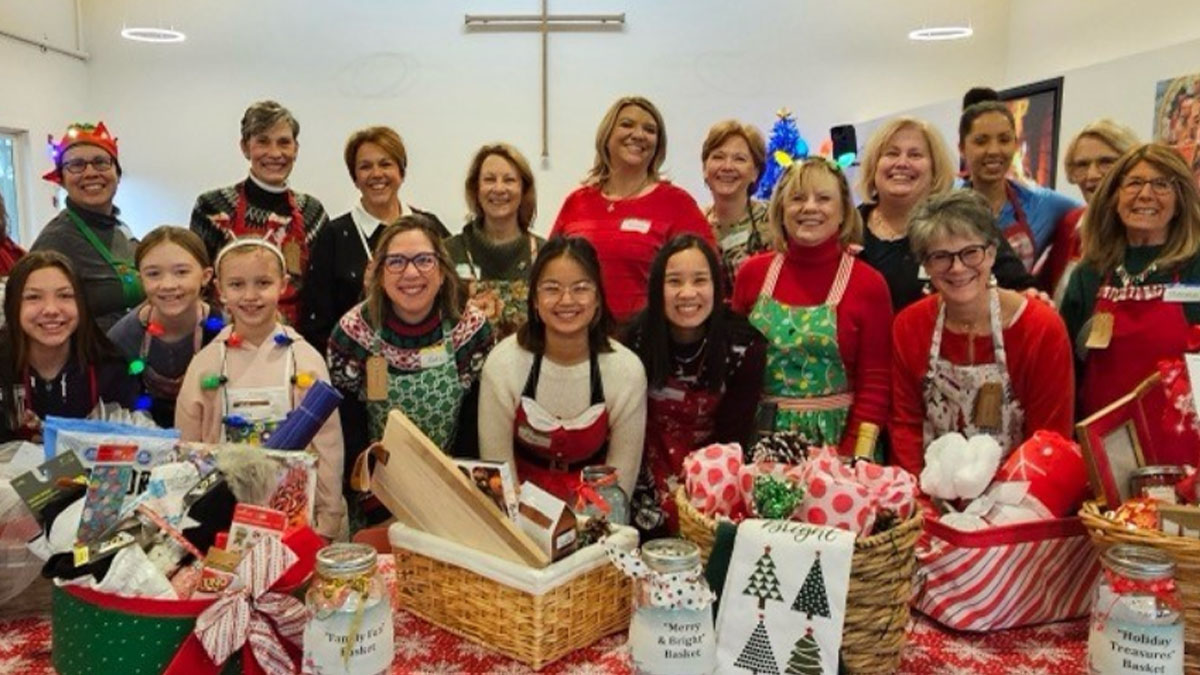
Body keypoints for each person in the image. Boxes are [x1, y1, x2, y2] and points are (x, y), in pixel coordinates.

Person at [890, 192, 1074, 477]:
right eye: (941, 257)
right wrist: (919, 502)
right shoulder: (909, 326)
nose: (958, 268)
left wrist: (1003, 509)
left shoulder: (1041, 328)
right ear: (925, 265)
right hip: (929, 493)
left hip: (1022, 494)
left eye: (970, 252)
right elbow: (906, 427)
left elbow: (1049, 438)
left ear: (991, 253)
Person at [327, 215, 493, 523]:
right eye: (397, 262)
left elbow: (474, 433)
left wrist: (453, 500)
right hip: (377, 501)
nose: (411, 272)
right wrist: (379, 503)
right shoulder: (352, 335)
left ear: (443, 272)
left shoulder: (470, 331)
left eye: (424, 260)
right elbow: (349, 436)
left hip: (453, 498)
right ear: (378, 274)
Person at [176, 239, 344, 540]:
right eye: (237, 284)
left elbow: (328, 445)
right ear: (220, 289)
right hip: (223, 517)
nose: (250, 296)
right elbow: (187, 446)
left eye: (263, 282)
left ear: (284, 285)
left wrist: (328, 517)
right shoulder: (206, 364)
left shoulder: (304, 360)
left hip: (293, 514)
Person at [731, 158, 892, 455]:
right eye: (797, 198)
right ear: (780, 210)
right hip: (760, 439)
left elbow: (876, 383)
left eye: (823, 198)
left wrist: (851, 457)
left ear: (844, 211)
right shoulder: (752, 275)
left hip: (838, 440)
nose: (809, 207)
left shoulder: (868, 283)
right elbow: (734, 372)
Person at [478, 236, 646, 502]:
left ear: (598, 298)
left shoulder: (626, 371)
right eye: (552, 288)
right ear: (534, 299)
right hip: (517, 513)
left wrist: (589, 530)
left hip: (598, 513)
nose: (566, 300)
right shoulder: (503, 364)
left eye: (580, 288)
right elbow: (498, 477)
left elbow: (620, 484)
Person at [626, 234, 766, 533]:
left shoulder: (744, 348)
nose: (687, 293)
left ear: (717, 287)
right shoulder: (632, 343)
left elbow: (732, 443)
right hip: (642, 484)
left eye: (700, 281)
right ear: (657, 289)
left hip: (713, 483)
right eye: (674, 282)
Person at [1062, 143, 1200, 430]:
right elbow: (1066, 370)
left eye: (1161, 185)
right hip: (1102, 445)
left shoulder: (1195, 266)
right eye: (1134, 183)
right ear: (1114, 197)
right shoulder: (1089, 274)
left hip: (1183, 449)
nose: (1145, 194)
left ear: (1180, 200)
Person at [551, 95, 716, 327]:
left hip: (648, 343)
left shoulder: (677, 204)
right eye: (627, 124)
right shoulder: (577, 202)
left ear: (658, 144)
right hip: (580, 342)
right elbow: (550, 272)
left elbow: (707, 276)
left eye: (649, 130)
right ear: (606, 136)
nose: (638, 134)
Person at [857, 117, 1035, 311]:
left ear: (934, 170)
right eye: (891, 154)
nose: (902, 163)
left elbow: (1021, 289)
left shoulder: (966, 220)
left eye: (915, 155)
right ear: (874, 166)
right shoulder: (847, 227)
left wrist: (1031, 297)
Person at [301, 126, 450, 352]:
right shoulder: (332, 237)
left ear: (401, 172)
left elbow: (453, 297)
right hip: (356, 367)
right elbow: (316, 325)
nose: (376, 174)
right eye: (365, 166)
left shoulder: (431, 227)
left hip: (433, 363)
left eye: (385, 164)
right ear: (355, 178)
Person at [190, 101, 329, 326]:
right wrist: (218, 331)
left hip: (293, 341)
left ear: (296, 149)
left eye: (284, 142)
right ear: (245, 147)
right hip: (226, 337)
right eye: (263, 142)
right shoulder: (212, 206)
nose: (275, 153)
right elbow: (199, 284)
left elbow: (319, 291)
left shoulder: (312, 211)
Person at [0, 251, 137, 442]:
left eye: (65, 295)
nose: (51, 310)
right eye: (33, 297)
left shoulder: (109, 366)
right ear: (12, 306)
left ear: (82, 303)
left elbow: (135, 439)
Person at [31, 122, 143, 332]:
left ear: (117, 175)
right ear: (62, 180)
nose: (90, 172)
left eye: (101, 162)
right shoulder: (55, 240)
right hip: (88, 360)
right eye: (76, 165)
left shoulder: (120, 229)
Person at [107, 227, 224, 428]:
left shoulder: (227, 330)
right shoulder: (124, 337)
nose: (168, 284)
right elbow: (121, 409)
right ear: (140, 278)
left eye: (181, 272)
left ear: (205, 276)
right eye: (153, 274)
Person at [959, 101, 1082, 277]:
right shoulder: (946, 210)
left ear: (1015, 145)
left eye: (1004, 140)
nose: (994, 150)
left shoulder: (1043, 204)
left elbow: (1089, 215)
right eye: (981, 141)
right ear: (962, 148)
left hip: (1017, 302)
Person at [446, 143, 546, 341]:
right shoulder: (448, 252)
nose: (499, 189)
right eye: (490, 180)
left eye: (509, 180)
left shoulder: (546, 254)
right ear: (476, 189)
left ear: (524, 190)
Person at [1044, 120, 1141, 300]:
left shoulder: (1147, 230)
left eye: (1106, 162)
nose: (1092, 175)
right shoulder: (1069, 224)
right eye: (1082, 165)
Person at [701, 120, 772, 286]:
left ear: (755, 172)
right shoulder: (695, 223)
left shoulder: (775, 220)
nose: (727, 166)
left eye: (739, 159)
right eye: (718, 157)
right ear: (705, 168)